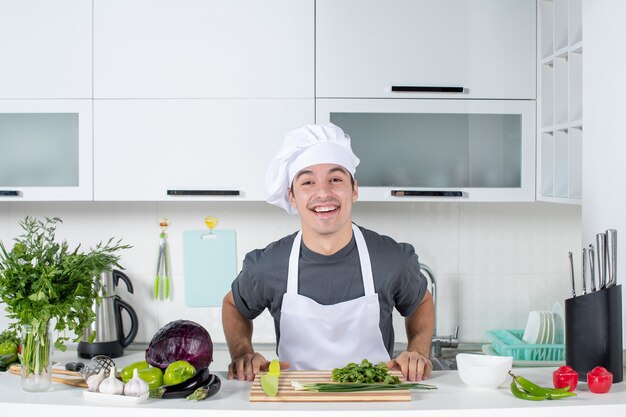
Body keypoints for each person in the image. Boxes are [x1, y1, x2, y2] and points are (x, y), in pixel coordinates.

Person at [222, 123, 435, 382]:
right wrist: (242, 353)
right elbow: (233, 305)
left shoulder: (392, 259)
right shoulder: (267, 265)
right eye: (308, 182)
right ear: (292, 196)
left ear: (354, 189)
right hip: (296, 403)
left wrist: (417, 351)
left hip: (374, 400)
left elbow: (421, 301)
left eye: (335, 179)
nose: (323, 193)